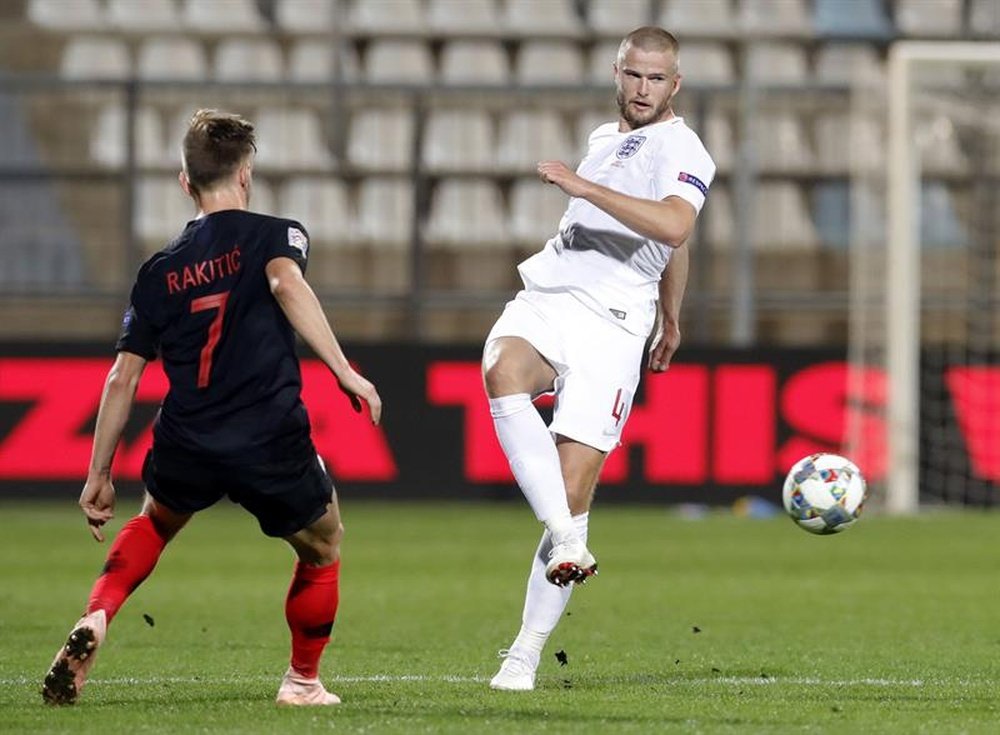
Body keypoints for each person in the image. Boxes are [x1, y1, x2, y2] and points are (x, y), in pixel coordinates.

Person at [41, 109, 381, 707]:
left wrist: (98, 474)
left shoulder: (157, 271)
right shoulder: (279, 235)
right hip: (268, 432)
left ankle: (97, 616)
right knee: (324, 542)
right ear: (246, 173)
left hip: (189, 433)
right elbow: (285, 285)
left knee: (156, 521)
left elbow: (123, 377)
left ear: (185, 181)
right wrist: (343, 369)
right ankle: (302, 681)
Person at [483, 27, 715, 691]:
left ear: (676, 84)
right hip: (550, 293)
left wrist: (583, 189)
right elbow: (669, 235)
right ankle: (565, 536)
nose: (643, 89)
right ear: (618, 74)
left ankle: (523, 656)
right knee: (502, 366)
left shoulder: (684, 146)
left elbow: (674, 228)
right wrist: (675, 314)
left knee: (574, 482)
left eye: (656, 79)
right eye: (633, 75)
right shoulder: (605, 140)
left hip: (613, 323)